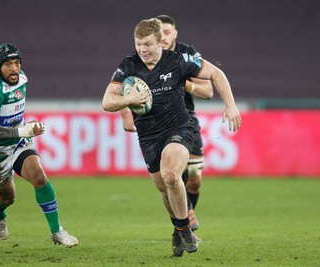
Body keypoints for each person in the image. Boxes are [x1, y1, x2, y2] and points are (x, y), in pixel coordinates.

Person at [103, 19, 241, 256]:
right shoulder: (128, 66)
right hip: (148, 136)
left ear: (160, 43)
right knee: (164, 189)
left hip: (179, 129)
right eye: (138, 44)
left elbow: (216, 73)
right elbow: (107, 102)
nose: (143, 50)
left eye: (148, 44)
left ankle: (185, 229)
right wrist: (129, 100)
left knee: (170, 173)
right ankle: (178, 229)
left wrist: (231, 106)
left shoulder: (178, 60)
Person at [0, 43, 78, 248]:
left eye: (17, 63)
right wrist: (21, 130)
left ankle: (56, 231)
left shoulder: (22, 79)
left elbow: (13, 111)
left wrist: (24, 128)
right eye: (8, 64)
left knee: (39, 177)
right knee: (7, 197)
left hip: (18, 142)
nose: (14, 68)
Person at [120, 14, 211, 235]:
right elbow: (123, 85)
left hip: (185, 119)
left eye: (168, 32)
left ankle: (186, 216)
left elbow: (208, 92)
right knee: (171, 177)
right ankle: (182, 225)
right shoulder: (140, 59)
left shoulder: (185, 55)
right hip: (156, 125)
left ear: (173, 34)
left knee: (194, 181)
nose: (164, 38)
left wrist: (181, 81)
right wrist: (126, 114)